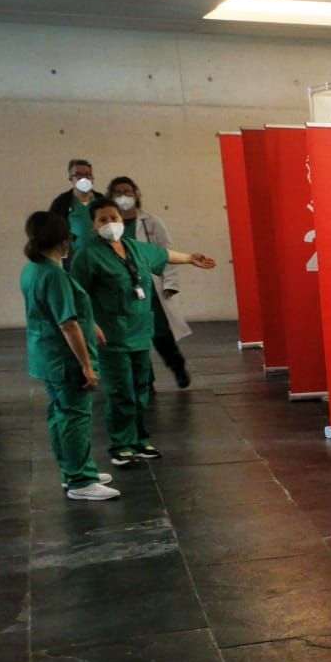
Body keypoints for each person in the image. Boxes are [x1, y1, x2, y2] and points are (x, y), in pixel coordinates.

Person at [69, 196, 215, 468]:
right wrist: (91, 324)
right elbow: (78, 294)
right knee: (121, 390)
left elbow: (163, 254)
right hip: (111, 334)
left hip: (138, 331)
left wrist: (190, 258)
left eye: (113, 218)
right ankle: (121, 444)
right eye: (103, 219)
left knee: (140, 388)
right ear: (93, 225)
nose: (110, 223)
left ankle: (139, 439)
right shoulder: (88, 255)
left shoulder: (134, 247)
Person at [21, 211, 116, 501]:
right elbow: (67, 323)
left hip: (45, 356)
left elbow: (61, 313)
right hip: (64, 360)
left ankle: (73, 469)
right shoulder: (54, 275)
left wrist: (93, 325)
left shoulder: (32, 270)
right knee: (74, 417)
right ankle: (80, 479)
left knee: (60, 415)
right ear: (64, 240)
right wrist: (86, 365)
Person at [107, 176, 192, 389]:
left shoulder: (151, 222)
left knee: (161, 334)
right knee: (135, 338)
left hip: (150, 288)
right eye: (118, 193)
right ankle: (145, 381)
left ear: (136, 194)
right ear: (110, 197)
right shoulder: (108, 227)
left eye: (128, 191)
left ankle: (178, 368)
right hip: (123, 292)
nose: (124, 197)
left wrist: (170, 283)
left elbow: (166, 251)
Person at [47, 159, 104, 253]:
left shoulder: (101, 200)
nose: (83, 179)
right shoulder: (61, 203)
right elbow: (52, 231)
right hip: (72, 257)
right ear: (71, 179)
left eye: (87, 175)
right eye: (78, 175)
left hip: (99, 254)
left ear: (92, 178)